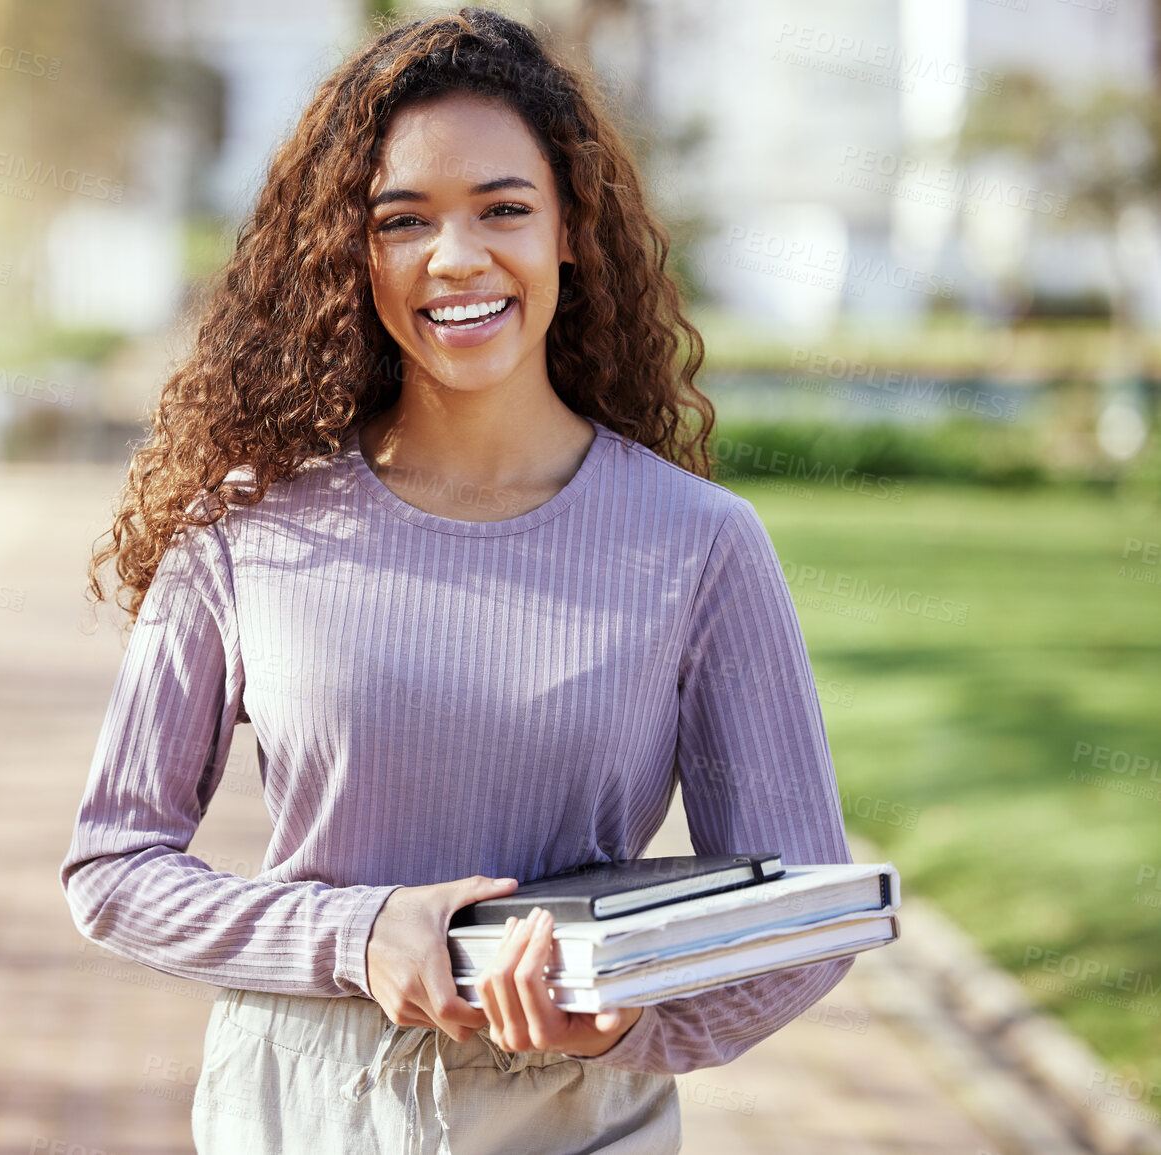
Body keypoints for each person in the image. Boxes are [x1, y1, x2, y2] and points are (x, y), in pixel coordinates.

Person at [59, 8, 855, 1153]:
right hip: (301, 1113)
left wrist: (623, 1022)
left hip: (575, 1119)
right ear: (353, 251)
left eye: (503, 209)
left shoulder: (702, 545)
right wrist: (355, 934)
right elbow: (115, 866)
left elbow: (806, 920)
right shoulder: (242, 526)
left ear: (570, 230)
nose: (457, 257)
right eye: (403, 220)